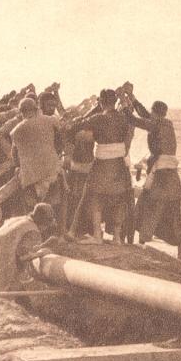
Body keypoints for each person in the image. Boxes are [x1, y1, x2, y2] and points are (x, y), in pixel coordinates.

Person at [125, 95, 181, 262]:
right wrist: (133, 98)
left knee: (148, 206)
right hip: (172, 174)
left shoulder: (154, 124)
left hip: (160, 174)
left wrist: (125, 104)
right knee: (174, 213)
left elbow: (134, 120)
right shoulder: (167, 124)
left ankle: (142, 242)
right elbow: (145, 116)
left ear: (155, 113)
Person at [66, 89, 132, 245]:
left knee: (94, 196)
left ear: (101, 101)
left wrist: (95, 109)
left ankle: (96, 235)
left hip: (102, 164)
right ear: (115, 101)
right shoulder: (124, 118)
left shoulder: (98, 118)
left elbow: (73, 126)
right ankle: (116, 237)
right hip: (119, 164)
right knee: (119, 198)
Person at [0, 203, 59, 293]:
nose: (46, 228)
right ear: (42, 221)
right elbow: (23, 257)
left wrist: (43, 245)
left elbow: (20, 246)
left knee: (19, 295)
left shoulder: (20, 219)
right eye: (47, 224)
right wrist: (43, 252)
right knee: (18, 296)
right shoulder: (33, 231)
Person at [10, 98, 66, 231]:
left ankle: (34, 232)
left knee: (32, 208)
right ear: (36, 109)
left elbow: (14, 154)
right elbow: (60, 139)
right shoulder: (51, 120)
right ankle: (60, 232)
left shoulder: (16, 130)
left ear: (21, 112)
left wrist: (20, 166)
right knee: (58, 203)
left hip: (30, 175)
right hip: (51, 170)